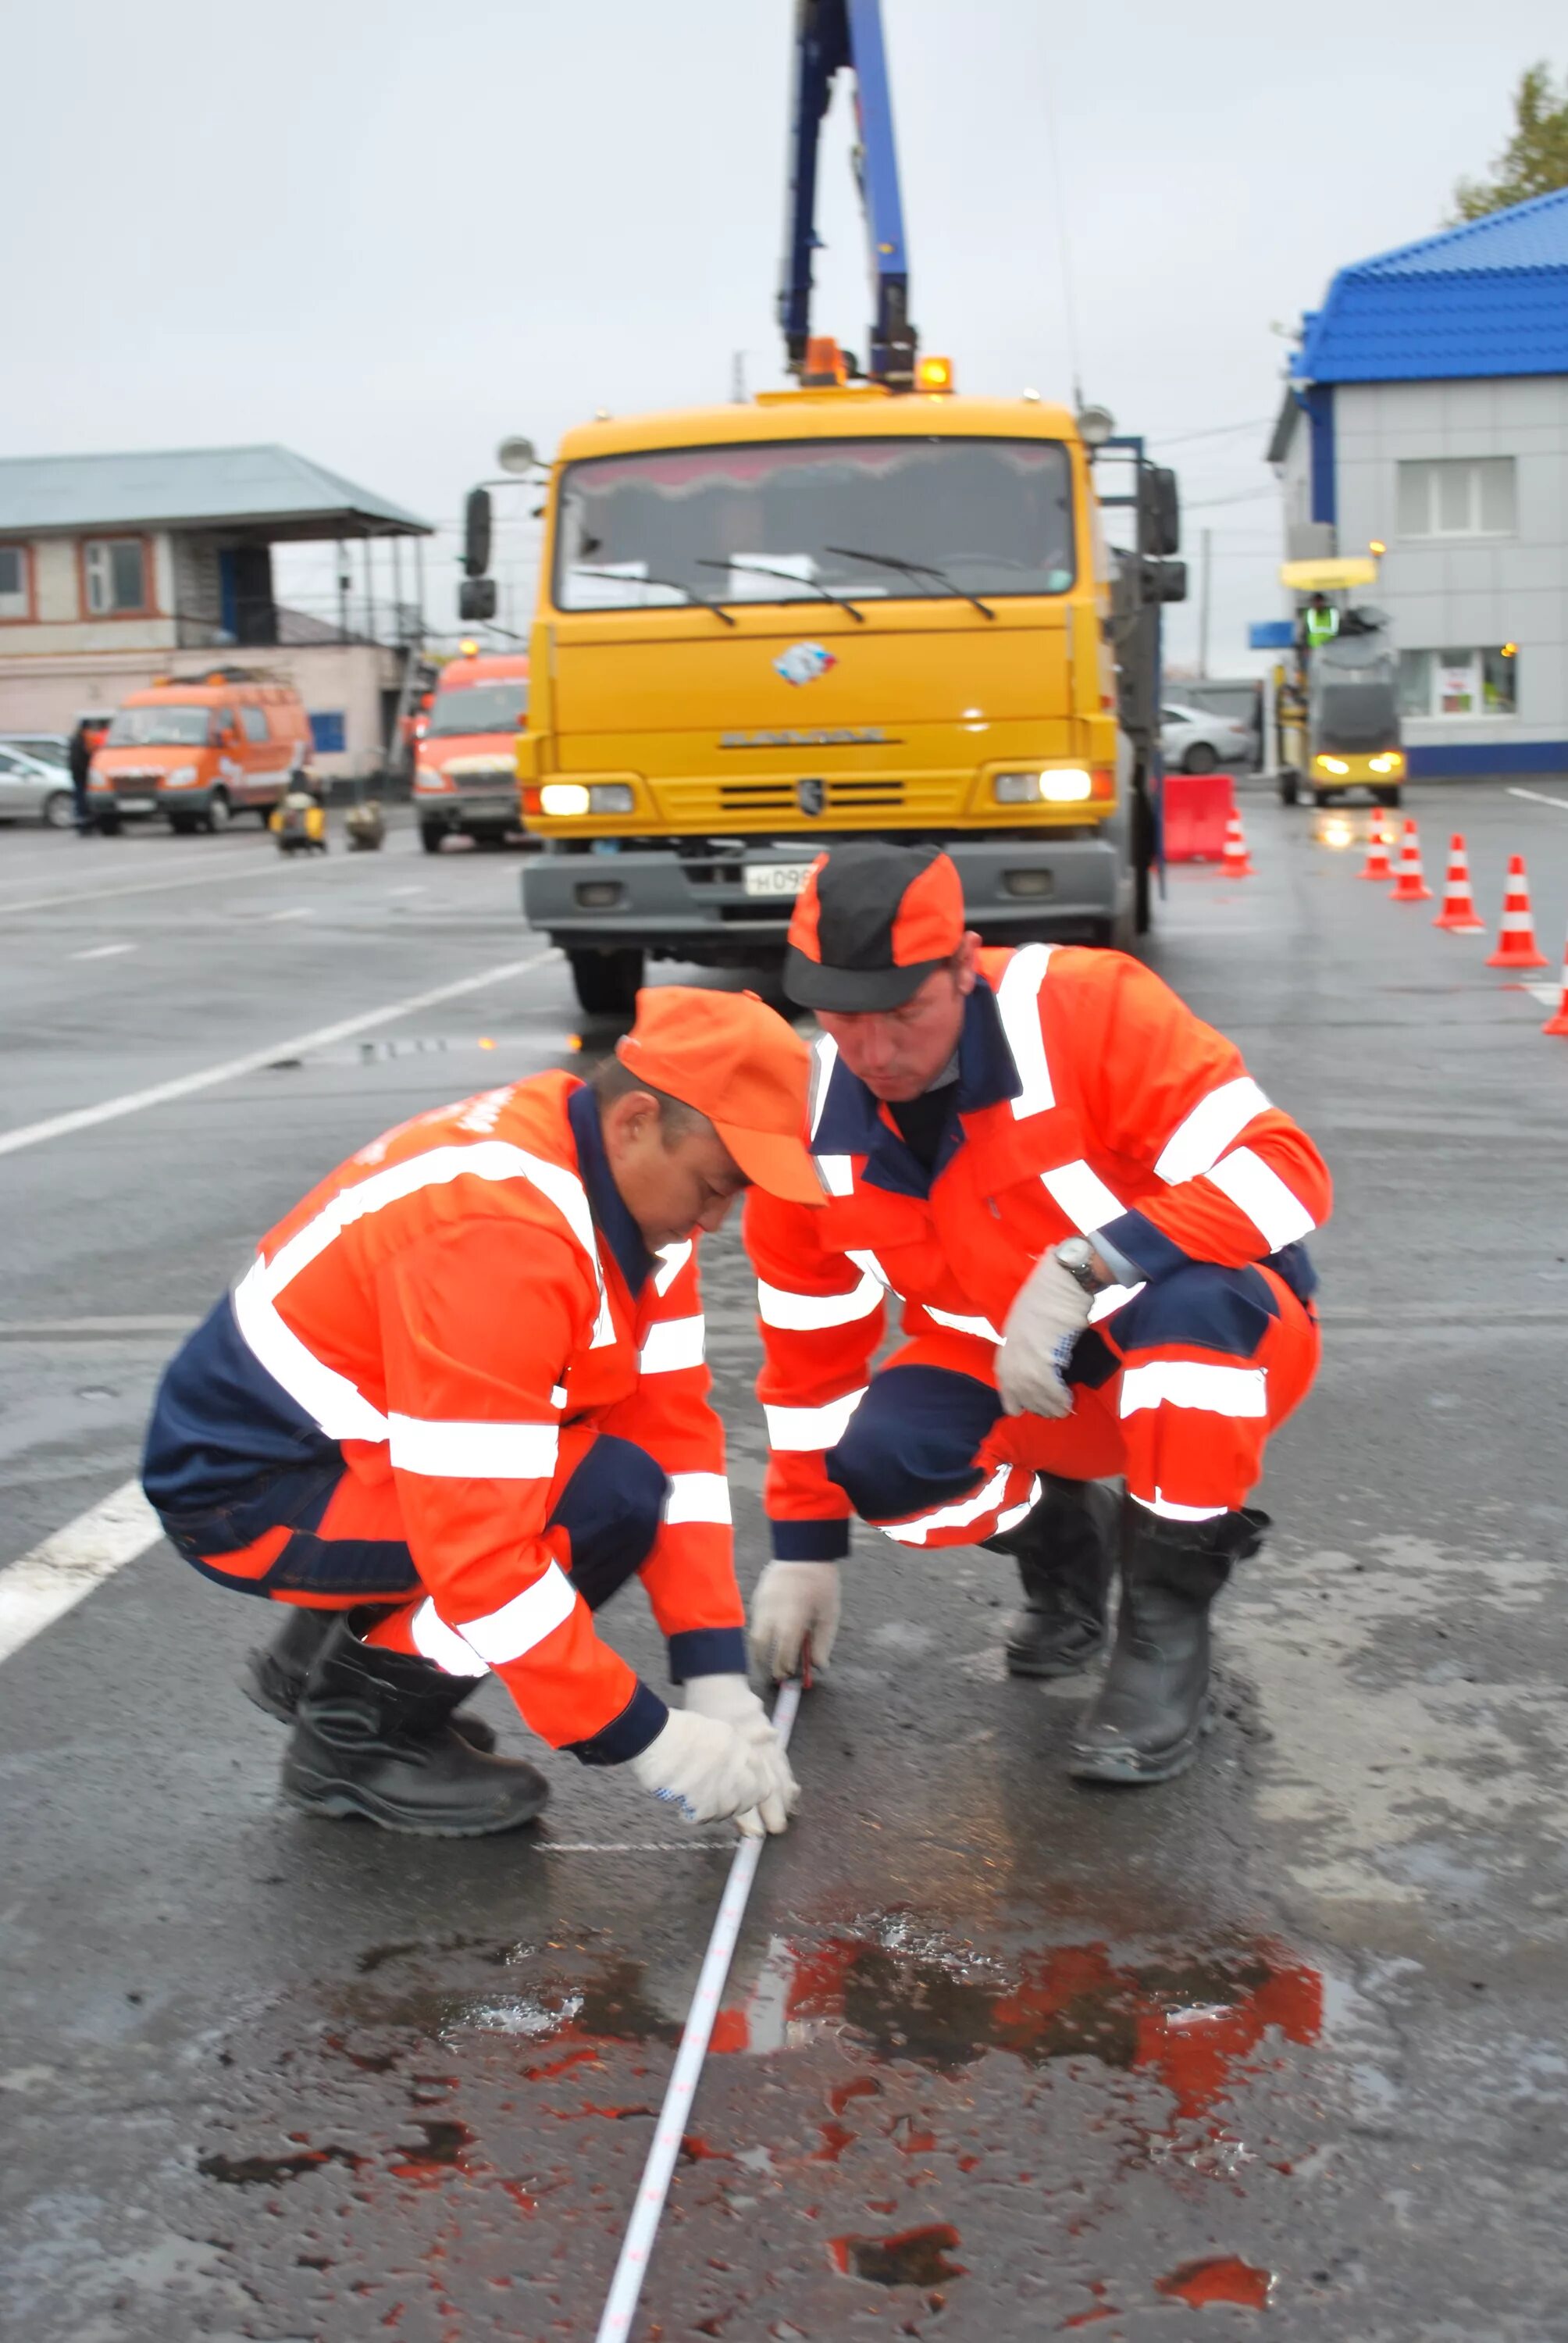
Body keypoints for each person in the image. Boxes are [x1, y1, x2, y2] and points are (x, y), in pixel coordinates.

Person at [142, 989, 821, 1839]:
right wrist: (643, 1738)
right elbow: (481, 1553)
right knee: (600, 1503)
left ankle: (321, 1667)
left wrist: (712, 1668)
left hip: (343, 1451)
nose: (715, 1221)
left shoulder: (625, 1196)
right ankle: (356, 1739)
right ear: (637, 1122)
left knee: (609, 1467)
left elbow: (672, 1432)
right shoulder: (500, 1231)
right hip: (249, 1494)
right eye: (715, 1186)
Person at [744, 843, 1331, 1785]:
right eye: (845, 1020)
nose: (878, 1054)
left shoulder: (1091, 1009)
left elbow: (1287, 1174)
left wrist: (1089, 1264)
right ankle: (1067, 1540)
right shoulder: (801, 1129)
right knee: (883, 1466)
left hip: (1200, 1343)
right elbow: (810, 1355)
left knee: (1194, 1310)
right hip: (1004, 1371)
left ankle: (1161, 1637)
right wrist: (808, 1548)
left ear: (965, 966)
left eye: (906, 1014)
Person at [67, 716, 97, 834]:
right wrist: (86, 771)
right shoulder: (80, 741)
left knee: (82, 800)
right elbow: (79, 760)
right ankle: (83, 825)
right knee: (82, 800)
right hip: (81, 776)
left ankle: (85, 824)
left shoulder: (78, 739)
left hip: (80, 776)